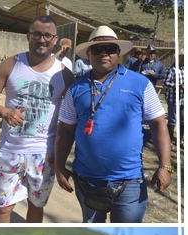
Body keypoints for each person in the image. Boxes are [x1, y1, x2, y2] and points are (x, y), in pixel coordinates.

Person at [54, 26, 172, 223]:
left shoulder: (140, 83)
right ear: (89, 53)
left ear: (118, 52)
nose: (104, 53)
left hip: (130, 180)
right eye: (98, 49)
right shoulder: (76, 88)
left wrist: (165, 166)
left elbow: (158, 124)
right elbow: (65, 129)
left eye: (109, 48)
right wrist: (59, 166)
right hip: (86, 180)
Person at [0, 15, 73, 223]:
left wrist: (61, 158)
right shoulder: (11, 64)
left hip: (44, 156)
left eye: (47, 35)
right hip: (10, 152)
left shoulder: (64, 74)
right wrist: (5, 113)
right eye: (37, 34)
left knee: (36, 206)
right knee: (3, 210)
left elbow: (73, 115)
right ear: (28, 36)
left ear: (55, 39)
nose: (42, 39)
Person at [163, 54, 184, 143]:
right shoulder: (171, 69)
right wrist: (177, 86)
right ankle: (169, 141)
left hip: (183, 99)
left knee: (183, 119)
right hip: (173, 99)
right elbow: (165, 83)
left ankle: (180, 140)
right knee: (172, 120)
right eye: (183, 58)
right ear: (179, 58)